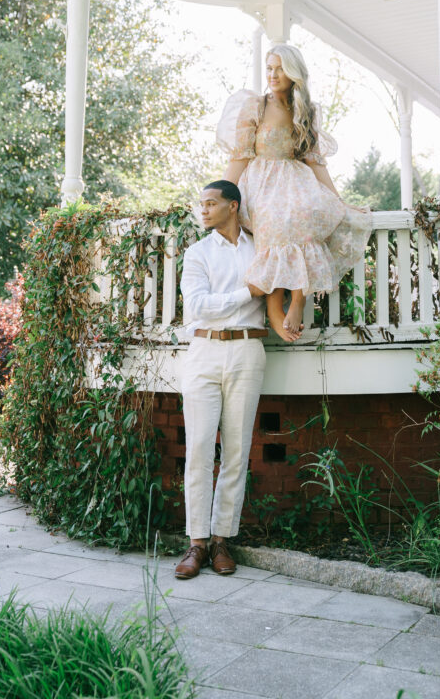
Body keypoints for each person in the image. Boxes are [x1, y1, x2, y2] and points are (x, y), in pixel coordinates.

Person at [217, 43, 372, 342]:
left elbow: (314, 159)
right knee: (276, 221)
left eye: (280, 69)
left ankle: (299, 300)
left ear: (294, 73)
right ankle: (275, 311)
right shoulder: (256, 106)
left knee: (305, 214)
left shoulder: (306, 110)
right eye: (270, 68)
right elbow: (240, 155)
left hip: (295, 178)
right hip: (262, 179)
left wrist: (339, 200)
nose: (273, 75)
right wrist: (222, 195)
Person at [175, 179, 267, 580]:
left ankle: (221, 541)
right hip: (204, 352)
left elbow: (280, 283)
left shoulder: (260, 248)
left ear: (233, 206)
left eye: (211, 203)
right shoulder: (197, 253)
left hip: (248, 350)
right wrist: (247, 292)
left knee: (236, 450)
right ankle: (196, 543)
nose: (204, 210)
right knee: (197, 448)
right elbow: (197, 307)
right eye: (202, 204)